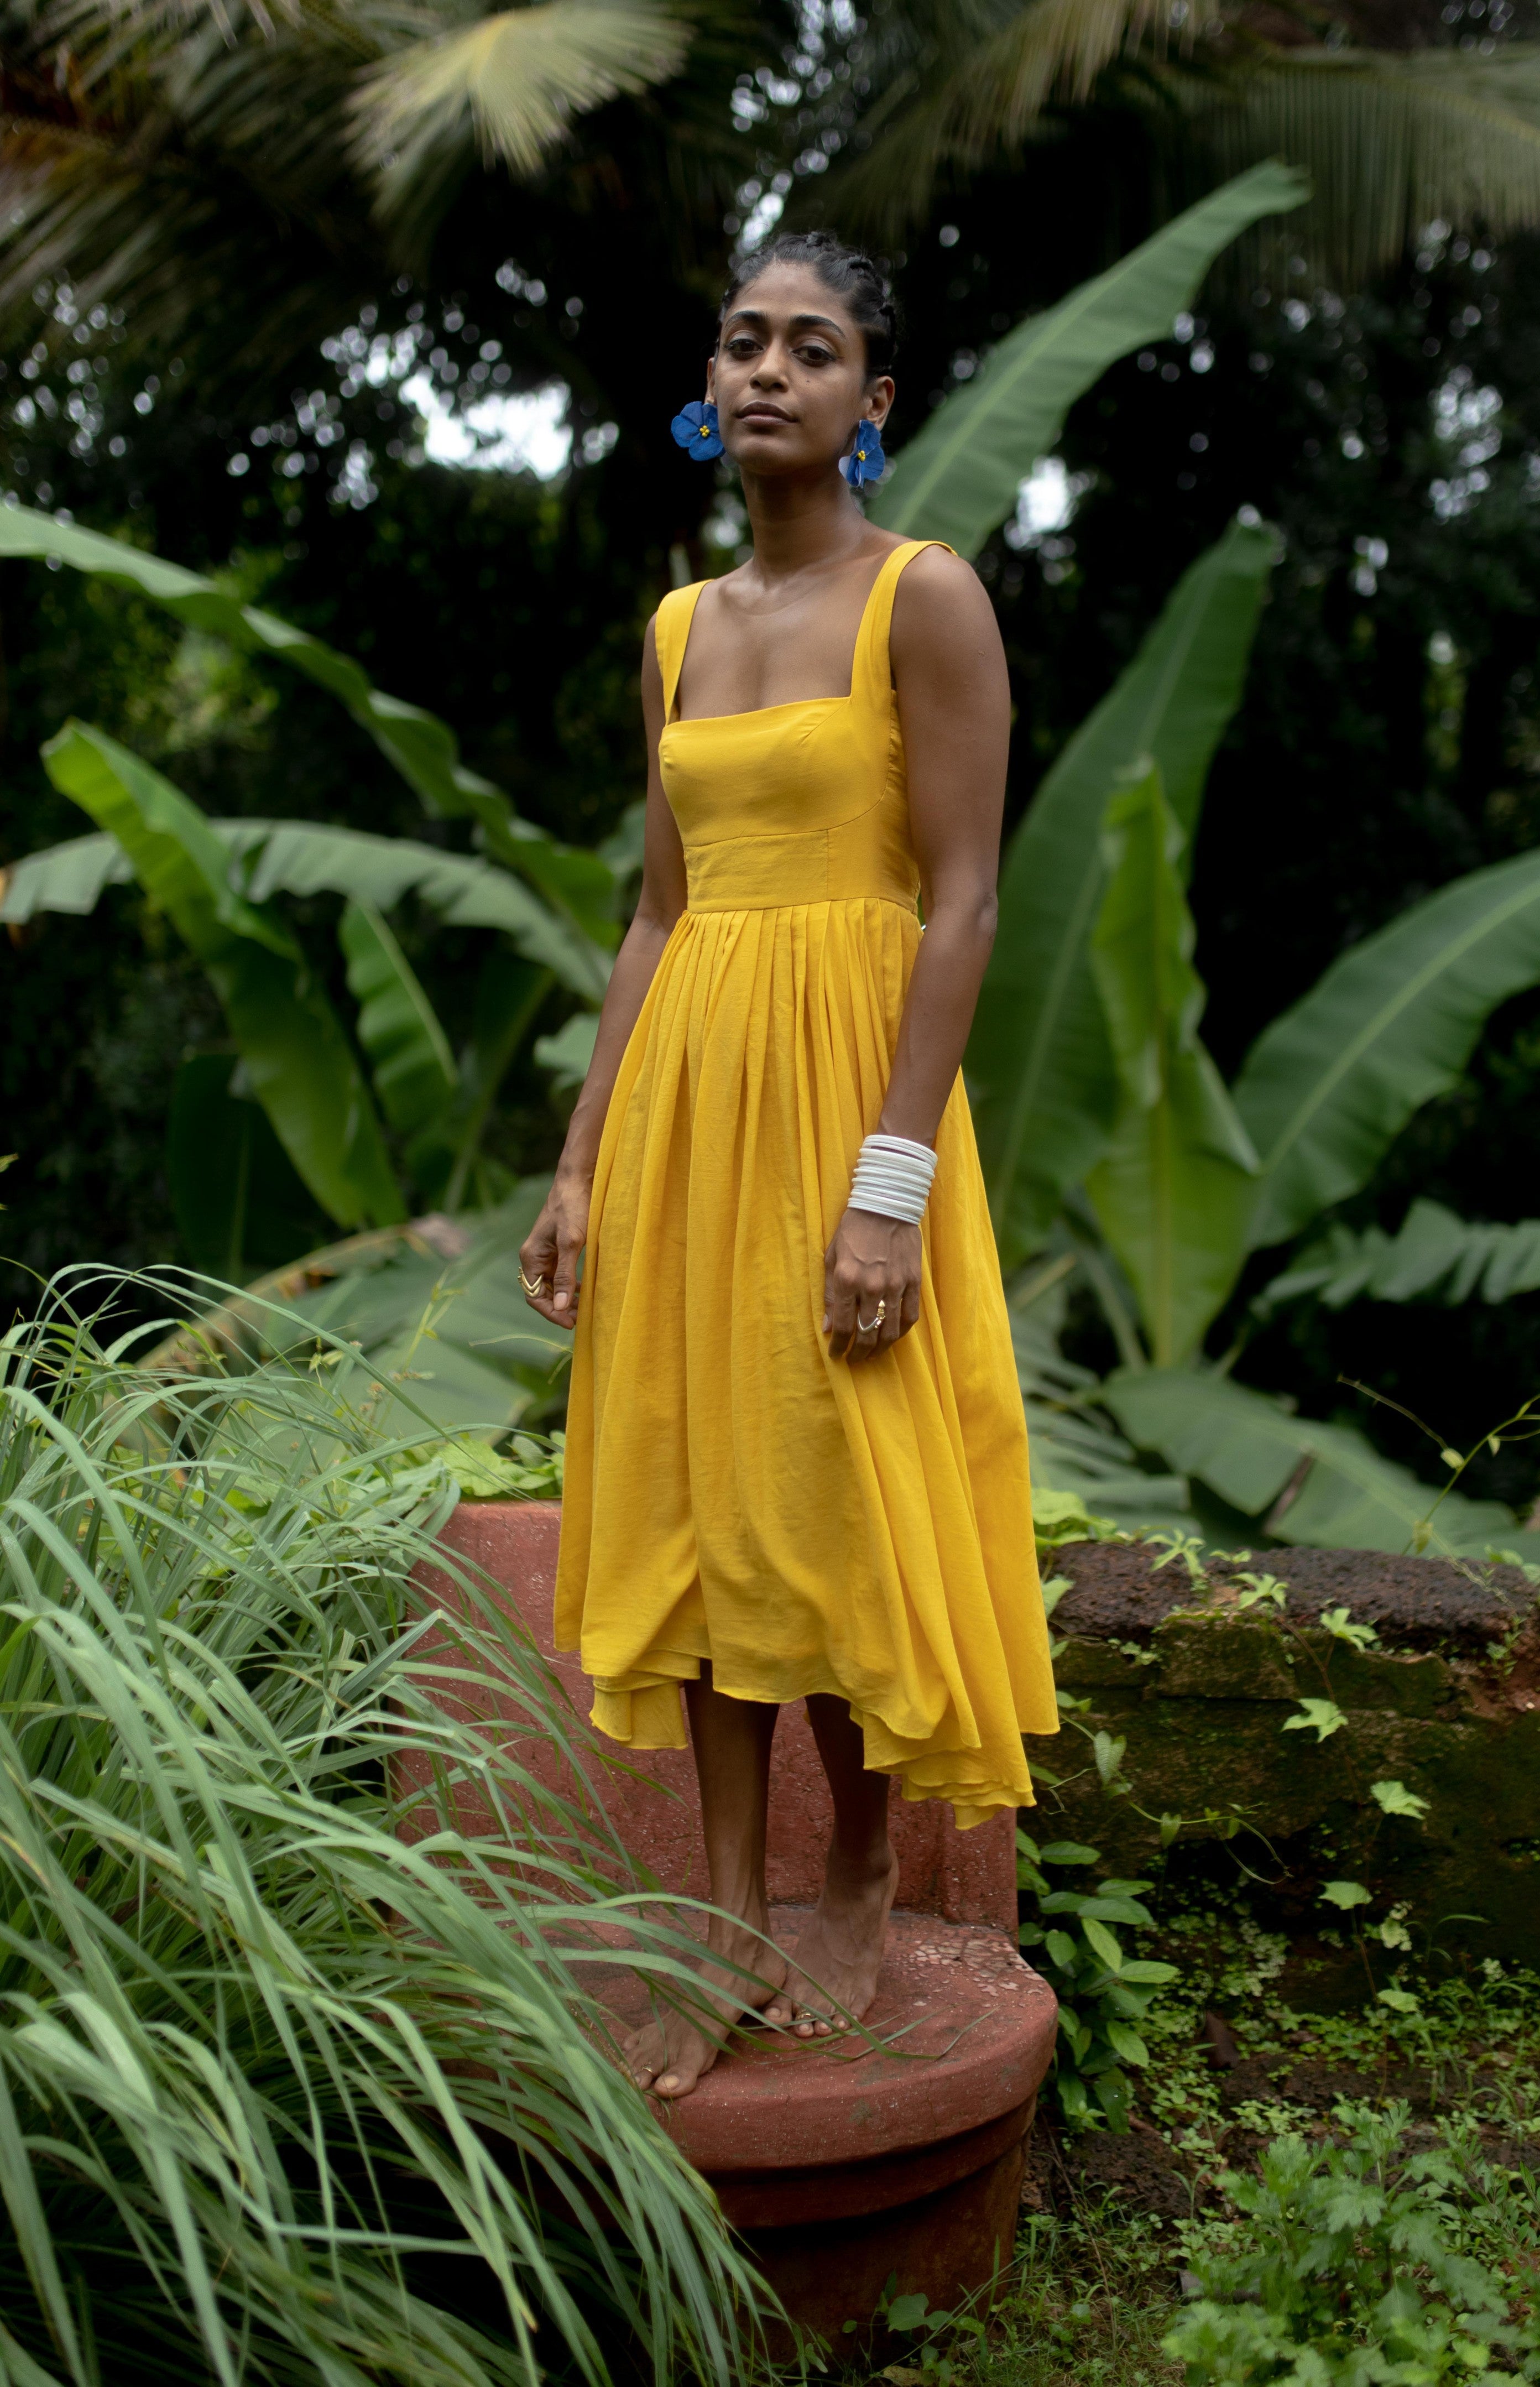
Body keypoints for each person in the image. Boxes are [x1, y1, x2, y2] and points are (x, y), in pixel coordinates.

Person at [518, 229, 1057, 2099]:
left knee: (837, 1483)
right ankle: (728, 1909)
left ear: (871, 400)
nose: (767, 371)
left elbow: (971, 899)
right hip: (692, 1111)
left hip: (854, 1101)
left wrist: (889, 1182)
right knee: (705, 1488)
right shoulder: (678, 631)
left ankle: (852, 1870)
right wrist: (584, 1161)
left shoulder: (927, 597)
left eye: (809, 348)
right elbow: (659, 916)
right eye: (741, 339)